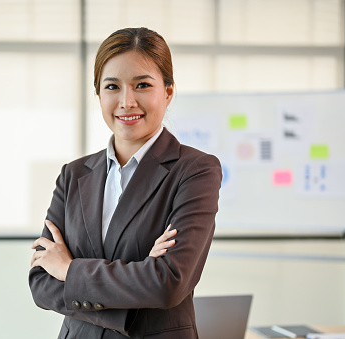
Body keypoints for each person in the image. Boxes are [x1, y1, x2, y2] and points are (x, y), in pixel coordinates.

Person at [29, 27, 222, 339]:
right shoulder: (74, 175)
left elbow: (168, 282)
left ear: (168, 91)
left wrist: (69, 270)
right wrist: (138, 278)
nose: (126, 101)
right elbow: (41, 283)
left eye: (142, 85)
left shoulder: (195, 170)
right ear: (99, 93)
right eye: (112, 86)